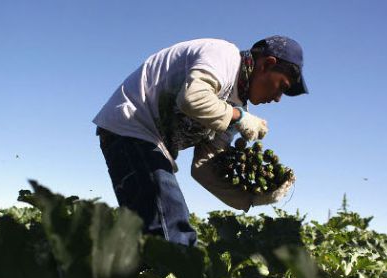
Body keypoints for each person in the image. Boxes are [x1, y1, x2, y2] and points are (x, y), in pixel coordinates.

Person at [92, 35, 308, 247]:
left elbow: (205, 168)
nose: (278, 98)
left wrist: (251, 198)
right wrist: (238, 117)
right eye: (282, 86)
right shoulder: (224, 56)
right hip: (131, 125)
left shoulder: (237, 107)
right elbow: (192, 98)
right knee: (171, 230)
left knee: (153, 236)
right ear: (267, 64)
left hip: (149, 143)